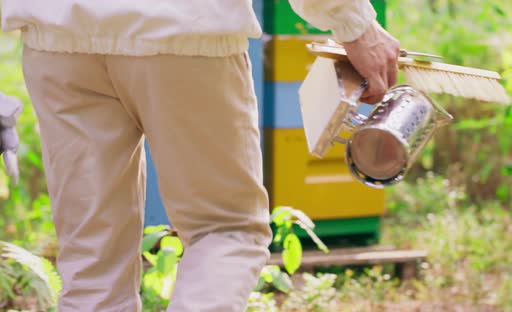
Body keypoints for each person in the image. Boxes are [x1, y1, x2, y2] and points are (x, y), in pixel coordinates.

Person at [0, 1, 400, 311]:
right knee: (224, 232)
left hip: (57, 36)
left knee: (92, 258)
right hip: (184, 29)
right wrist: (355, 23)